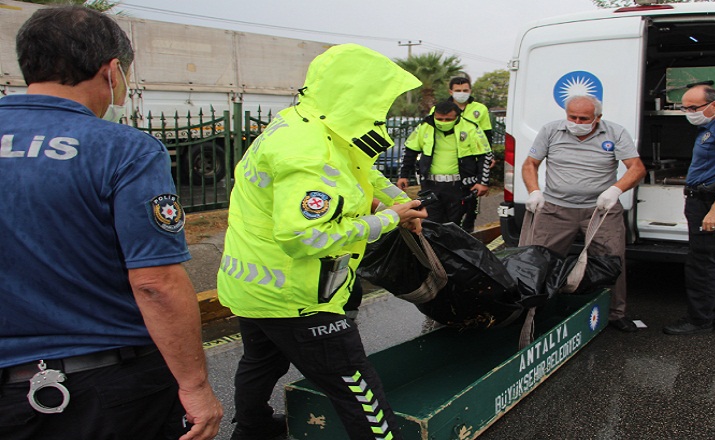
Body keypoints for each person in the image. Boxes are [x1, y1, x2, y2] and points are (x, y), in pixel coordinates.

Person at [0, 6, 222, 440]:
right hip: (105, 389)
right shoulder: (124, 150)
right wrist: (195, 387)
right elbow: (155, 282)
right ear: (113, 71)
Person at [217, 44, 427, 440]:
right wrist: (388, 219)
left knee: (261, 362)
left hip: (254, 286)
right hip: (297, 296)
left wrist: (402, 202)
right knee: (357, 387)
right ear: (354, 94)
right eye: (378, 99)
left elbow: (358, 167)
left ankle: (252, 430)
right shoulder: (309, 148)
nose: (381, 110)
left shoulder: (306, 121)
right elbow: (305, 236)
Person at [519, 95, 646, 332]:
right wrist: (534, 191)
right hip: (556, 209)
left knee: (612, 260)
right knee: (539, 259)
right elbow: (530, 164)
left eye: (584, 118)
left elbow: (637, 168)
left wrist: (615, 190)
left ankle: (615, 314)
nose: (577, 122)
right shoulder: (551, 130)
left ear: (597, 118)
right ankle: (535, 311)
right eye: (572, 116)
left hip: (600, 210)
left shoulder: (615, 133)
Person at [662, 85, 715, 336]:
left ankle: (699, 320)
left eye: (693, 108)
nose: (688, 112)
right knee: (712, 260)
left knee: (701, 264)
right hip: (704, 200)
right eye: (685, 107)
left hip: (710, 202)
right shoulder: (712, 128)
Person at [397, 100, 492, 225]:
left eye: (448, 119)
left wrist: (482, 182)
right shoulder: (425, 127)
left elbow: (484, 156)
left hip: (459, 186)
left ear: (457, 117)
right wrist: (403, 175)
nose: (443, 123)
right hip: (431, 185)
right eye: (440, 119)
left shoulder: (470, 128)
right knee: (431, 224)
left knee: (456, 226)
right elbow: (410, 151)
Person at [444, 76, 494, 232]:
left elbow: (487, 134)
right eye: (458, 91)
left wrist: (489, 155)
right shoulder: (440, 109)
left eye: (465, 90)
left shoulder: (480, 109)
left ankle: (468, 231)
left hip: (473, 161)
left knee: (471, 202)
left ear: (470, 91)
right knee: (450, 203)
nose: (461, 93)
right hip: (449, 161)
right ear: (451, 91)